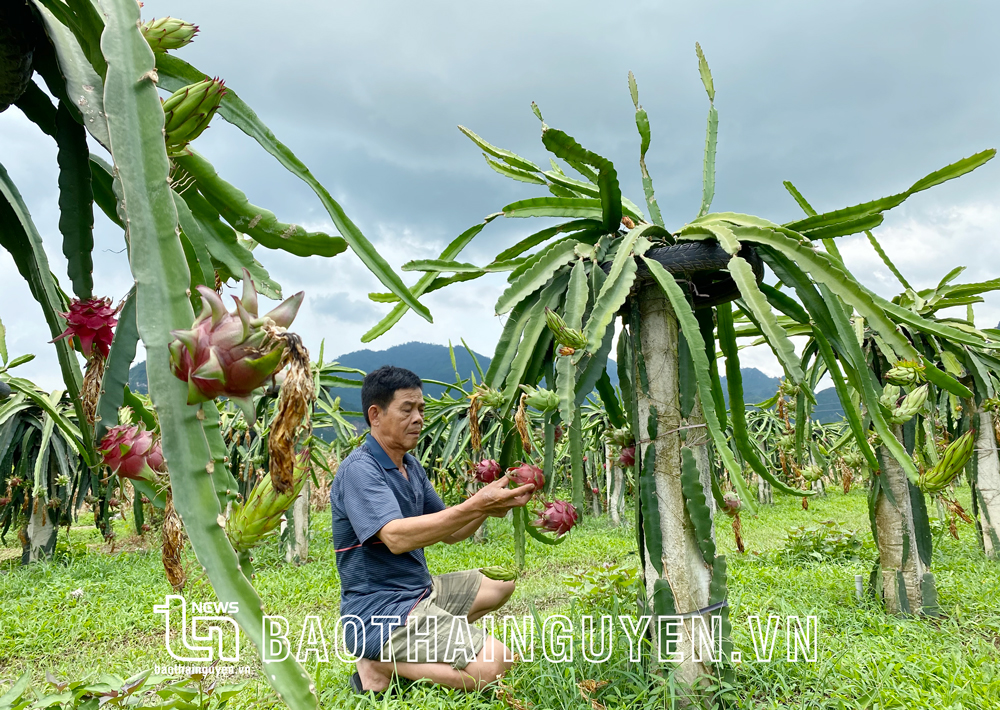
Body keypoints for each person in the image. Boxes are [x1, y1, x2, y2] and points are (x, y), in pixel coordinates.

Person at [330, 365, 534, 694]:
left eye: (421, 409)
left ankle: (427, 645)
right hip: (381, 611)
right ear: (375, 415)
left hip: (419, 592)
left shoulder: (410, 466)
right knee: (497, 665)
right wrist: (477, 503)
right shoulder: (360, 470)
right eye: (407, 409)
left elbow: (452, 531)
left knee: (501, 581)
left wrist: (492, 505)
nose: (418, 418)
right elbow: (395, 538)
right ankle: (376, 661)